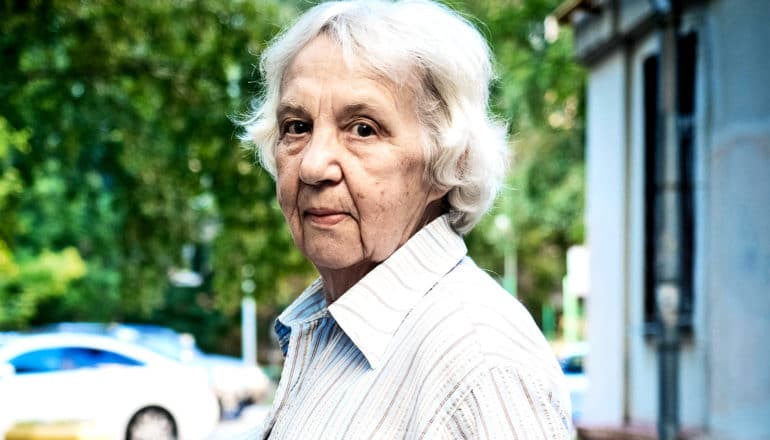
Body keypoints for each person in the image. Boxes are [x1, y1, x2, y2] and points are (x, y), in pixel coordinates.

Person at [239, 0, 572, 438]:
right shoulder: (332, 327)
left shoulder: (478, 364)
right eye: (297, 126)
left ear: (448, 161)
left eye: (362, 129)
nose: (313, 166)